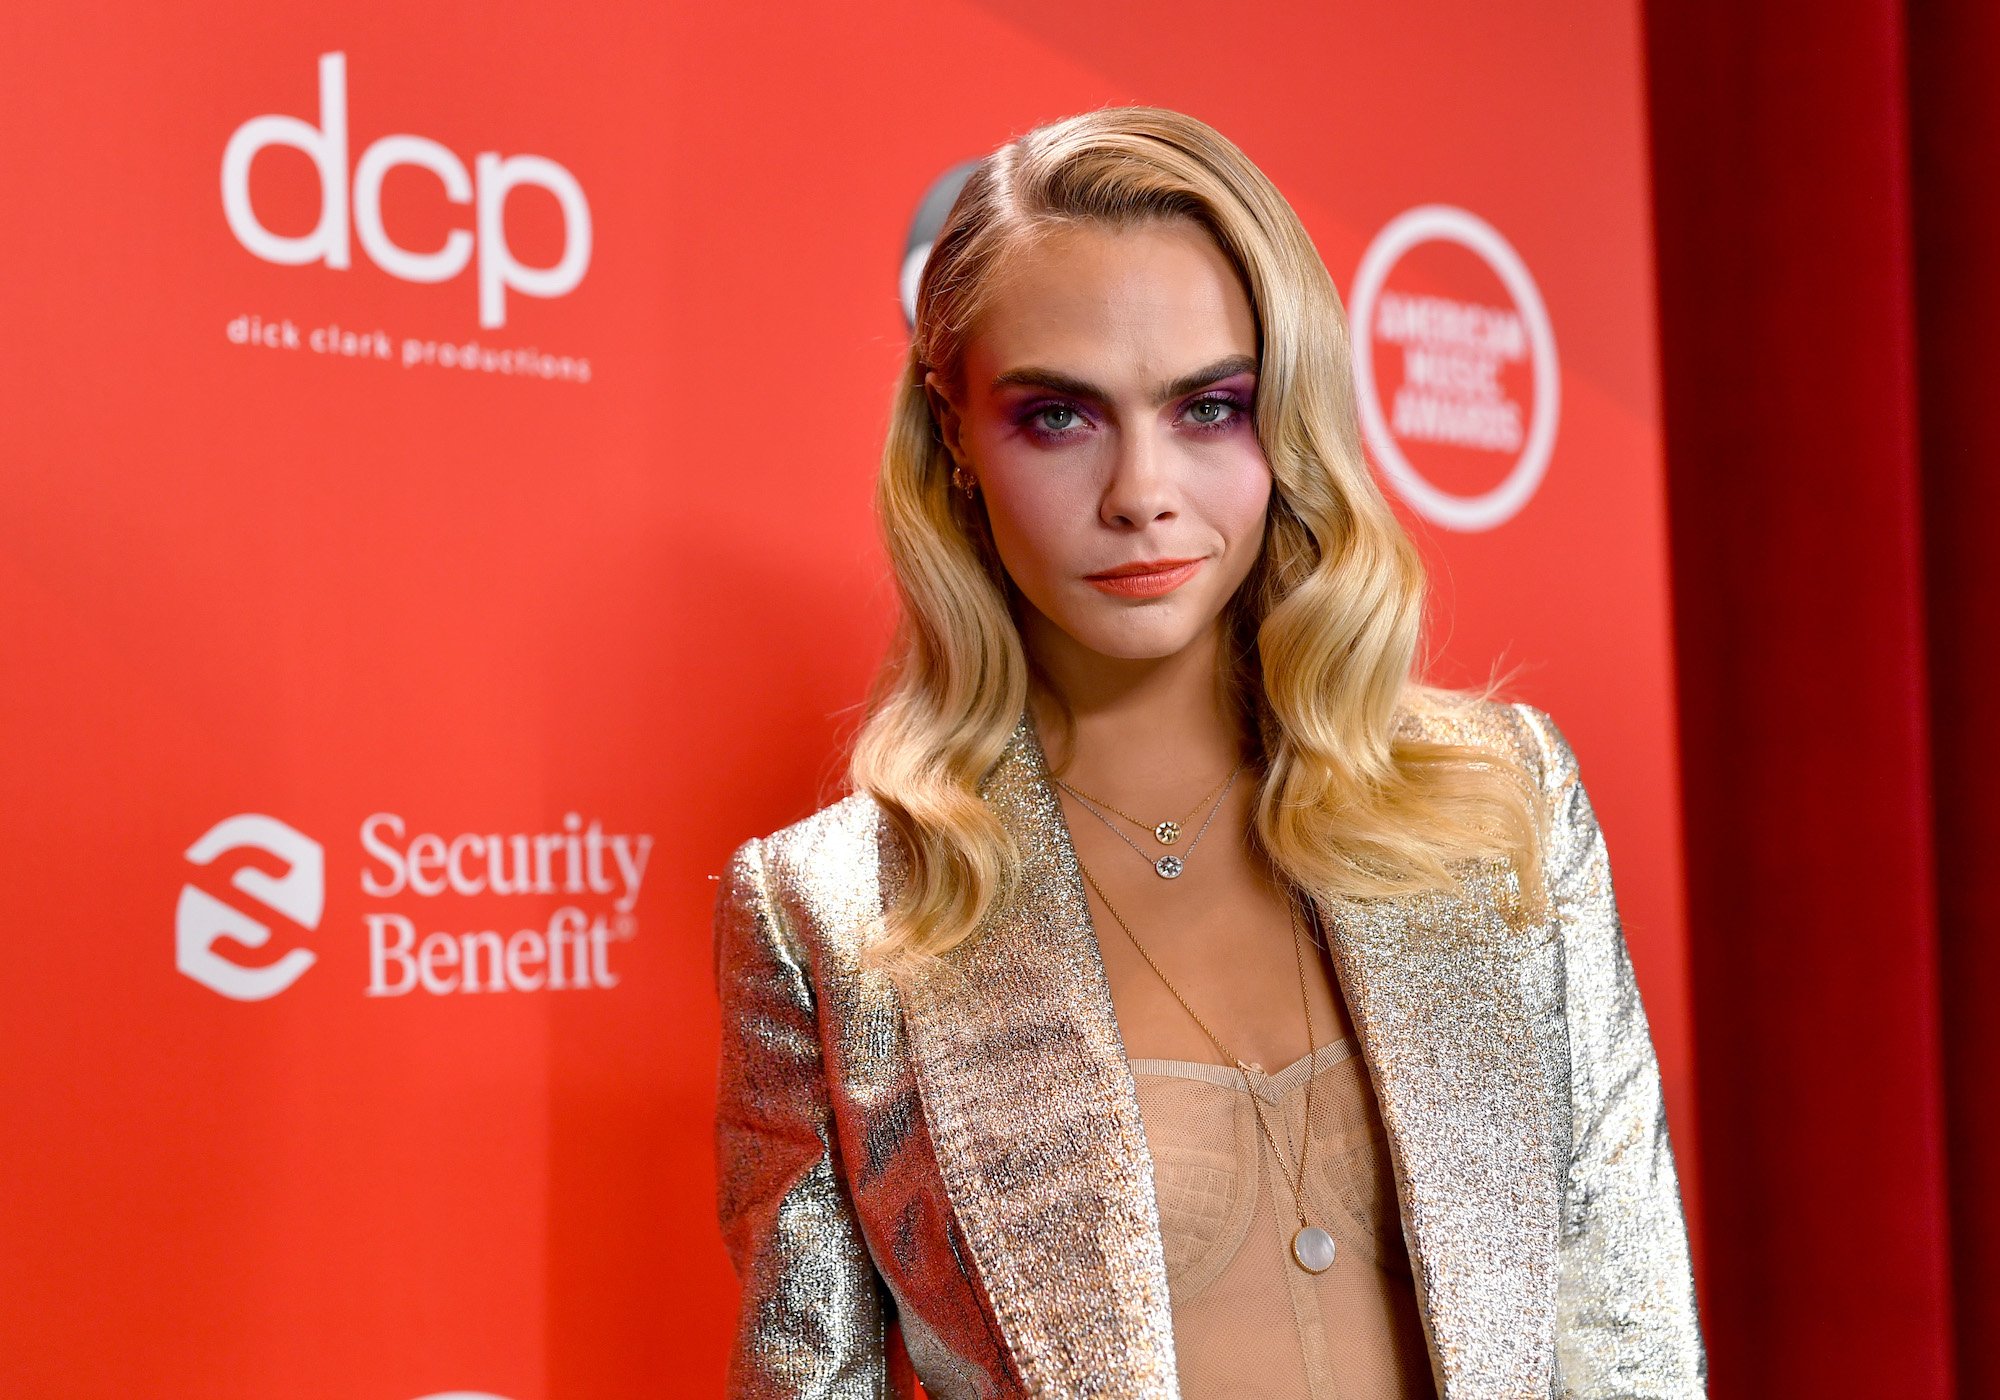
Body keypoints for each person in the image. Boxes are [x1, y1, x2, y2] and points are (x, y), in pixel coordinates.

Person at [711, 105, 1705, 1399]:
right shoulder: (832, 920)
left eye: (1210, 407)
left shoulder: (1502, 800)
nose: (1143, 492)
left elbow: (1626, 1342)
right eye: (1060, 416)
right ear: (954, 436)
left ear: (1285, 411)